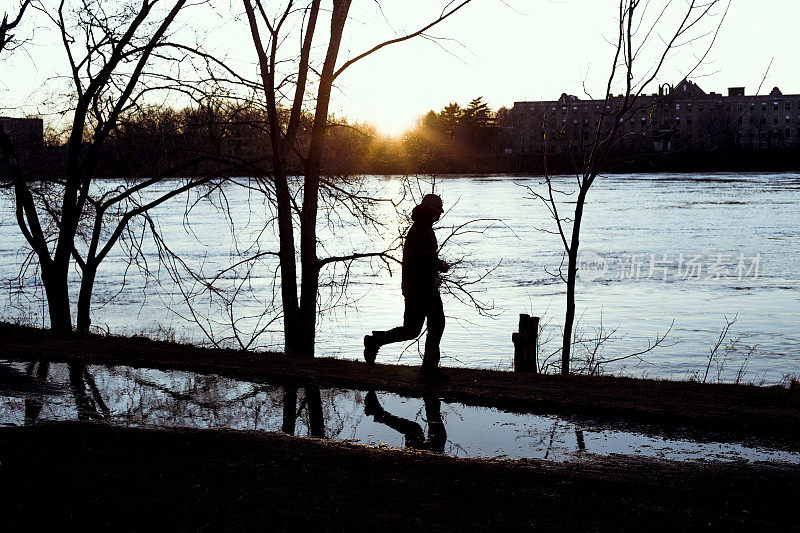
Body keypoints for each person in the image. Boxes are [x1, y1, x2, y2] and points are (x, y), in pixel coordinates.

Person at [363, 193, 449, 379]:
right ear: (430, 208)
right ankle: (427, 370)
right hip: (420, 289)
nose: (441, 212)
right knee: (428, 326)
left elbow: (426, 259)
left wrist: (439, 265)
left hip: (418, 288)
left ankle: (376, 342)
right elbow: (416, 263)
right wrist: (431, 280)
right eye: (439, 208)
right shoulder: (420, 230)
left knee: (417, 328)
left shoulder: (423, 228)